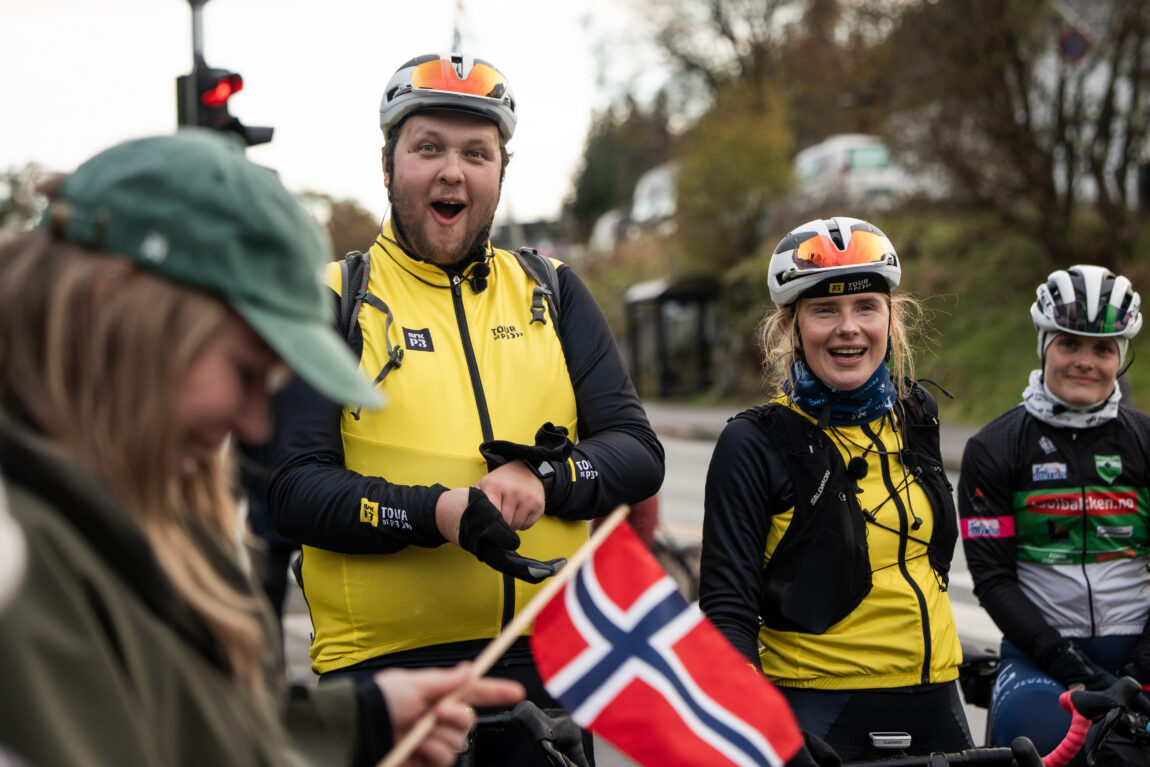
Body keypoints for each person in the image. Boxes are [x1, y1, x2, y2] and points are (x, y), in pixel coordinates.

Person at [0, 130, 525, 767]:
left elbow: (178, 726)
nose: (254, 427)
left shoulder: (131, 503)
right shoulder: (17, 557)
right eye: (245, 372)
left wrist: (356, 722)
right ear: (110, 306)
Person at [266, 52, 664, 765]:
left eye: (476, 153)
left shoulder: (552, 288)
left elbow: (636, 450)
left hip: (549, 672)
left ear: (500, 174)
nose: (453, 171)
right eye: (428, 148)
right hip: (387, 676)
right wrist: (436, 512)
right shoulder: (332, 298)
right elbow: (295, 489)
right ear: (388, 166)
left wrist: (548, 480)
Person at [699, 216, 972, 761]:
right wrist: (764, 730)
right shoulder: (754, 443)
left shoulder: (917, 413)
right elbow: (727, 612)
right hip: (819, 712)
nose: (849, 328)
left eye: (866, 307)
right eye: (825, 310)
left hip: (939, 700)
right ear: (792, 327)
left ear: (890, 320)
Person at [958, 264, 1150, 762]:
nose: (1085, 361)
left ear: (1121, 357)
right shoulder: (994, 447)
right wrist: (1077, 671)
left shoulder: (1145, 442)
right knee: (1032, 735)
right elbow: (993, 579)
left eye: (1102, 348)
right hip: (1040, 659)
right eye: (1070, 344)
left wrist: (1135, 672)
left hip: (1141, 651)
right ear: (1044, 344)